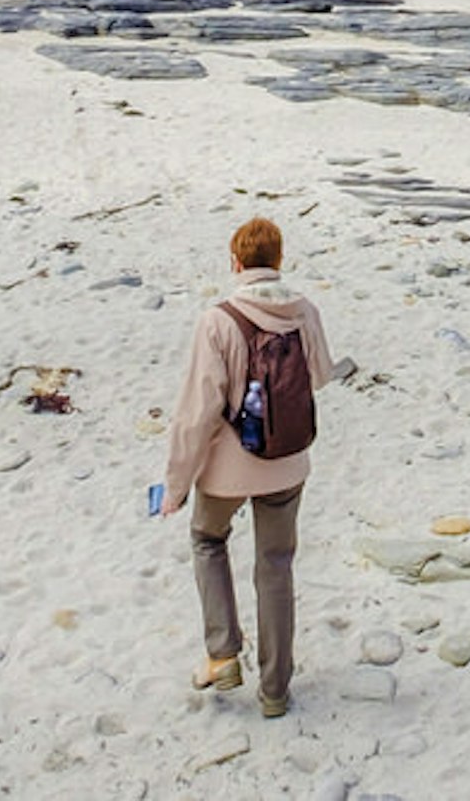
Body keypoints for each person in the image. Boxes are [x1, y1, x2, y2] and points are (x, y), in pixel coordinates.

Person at [162, 216, 333, 716]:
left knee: (207, 539)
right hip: (287, 463)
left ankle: (223, 653)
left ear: (235, 262)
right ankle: (276, 691)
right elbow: (320, 377)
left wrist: (176, 485)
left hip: (228, 469)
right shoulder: (305, 311)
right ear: (279, 261)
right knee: (276, 567)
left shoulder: (218, 320)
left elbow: (197, 413)